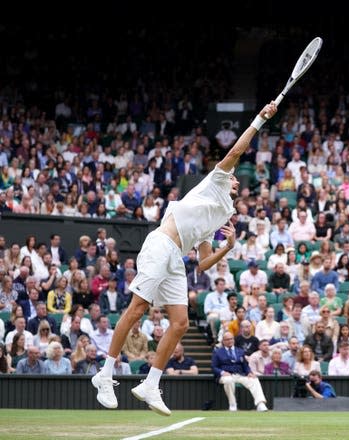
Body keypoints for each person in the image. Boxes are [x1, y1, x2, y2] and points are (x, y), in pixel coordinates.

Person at [91, 101, 278, 416]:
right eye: (232, 177)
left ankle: (151, 384)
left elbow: (203, 263)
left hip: (176, 259)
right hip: (161, 243)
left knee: (180, 323)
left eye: (236, 181)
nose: (234, 179)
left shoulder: (221, 214)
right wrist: (260, 119)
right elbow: (235, 153)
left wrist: (227, 248)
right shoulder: (215, 183)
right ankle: (105, 373)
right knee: (138, 307)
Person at [211, 331, 268, 412]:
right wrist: (222, 372)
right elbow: (214, 367)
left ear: (234, 340)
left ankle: (260, 404)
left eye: (231, 339)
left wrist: (249, 373)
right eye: (227, 339)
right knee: (228, 380)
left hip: (240, 375)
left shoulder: (240, 351)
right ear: (223, 341)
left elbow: (245, 365)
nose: (230, 341)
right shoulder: (217, 352)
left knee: (254, 379)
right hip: (226, 375)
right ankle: (232, 404)